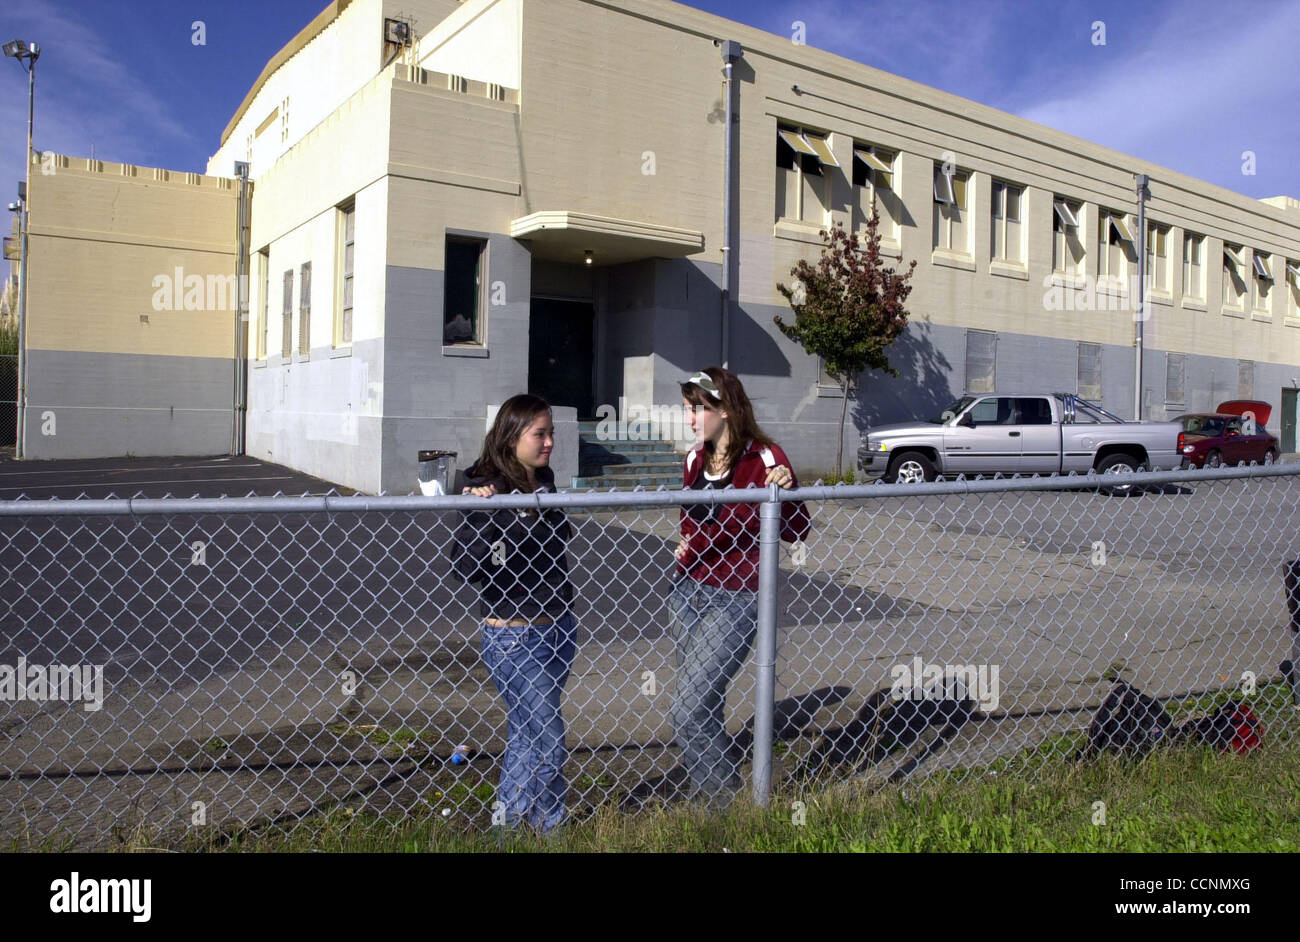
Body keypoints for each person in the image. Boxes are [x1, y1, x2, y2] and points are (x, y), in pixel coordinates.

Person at [670, 367, 811, 801]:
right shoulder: (695, 459)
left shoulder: (766, 457)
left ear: (726, 409)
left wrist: (787, 492)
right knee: (705, 703)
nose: (691, 418)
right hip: (686, 592)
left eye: (699, 408)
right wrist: (687, 545)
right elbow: (689, 524)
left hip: (736, 596)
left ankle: (721, 802)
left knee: (686, 708)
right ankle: (713, 793)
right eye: (688, 409)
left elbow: (799, 529)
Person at [450, 394, 576, 831]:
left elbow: (557, 541)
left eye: (551, 433)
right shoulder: (489, 486)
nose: (549, 443)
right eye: (539, 434)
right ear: (511, 436)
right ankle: (551, 828)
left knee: (527, 737)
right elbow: (464, 565)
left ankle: (510, 827)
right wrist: (489, 515)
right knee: (550, 741)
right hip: (513, 636)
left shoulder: (543, 479)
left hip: (559, 628)